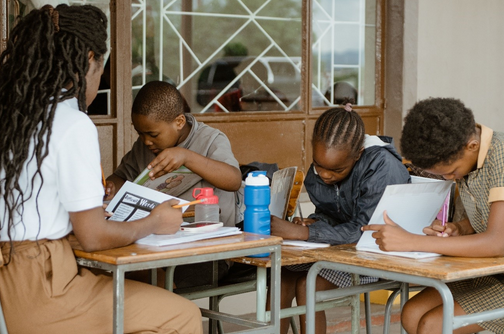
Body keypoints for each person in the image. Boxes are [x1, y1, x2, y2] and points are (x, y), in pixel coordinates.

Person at [0, 5, 202, 333]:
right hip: (44, 286)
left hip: (12, 280)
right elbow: (92, 237)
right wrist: (154, 221)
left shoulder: (16, 118)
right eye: (101, 69)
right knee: (181, 315)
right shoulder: (71, 122)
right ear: (89, 59)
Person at [363, 97, 504, 334]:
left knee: (433, 325)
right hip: (489, 271)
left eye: (451, 172)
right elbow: (489, 216)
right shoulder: (471, 157)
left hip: (496, 271)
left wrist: (412, 241)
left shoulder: (500, 156)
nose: (451, 179)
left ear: (472, 145)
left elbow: (498, 242)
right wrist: (460, 228)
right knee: (412, 313)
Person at [270, 100, 411, 334]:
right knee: (282, 271)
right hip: (343, 250)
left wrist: (305, 232)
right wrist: (315, 222)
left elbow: (367, 229)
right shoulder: (323, 168)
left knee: (308, 284)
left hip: (378, 253)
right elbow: (330, 212)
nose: (324, 175)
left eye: (336, 171)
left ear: (358, 155)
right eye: (318, 165)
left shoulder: (381, 165)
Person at [105, 80, 242, 288]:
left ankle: (162, 317)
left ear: (179, 122)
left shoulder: (210, 140)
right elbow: (121, 177)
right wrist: (109, 187)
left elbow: (233, 180)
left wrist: (187, 157)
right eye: (140, 133)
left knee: (146, 278)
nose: (146, 141)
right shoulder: (145, 148)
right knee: (113, 268)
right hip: (156, 244)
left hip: (207, 253)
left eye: (152, 134)